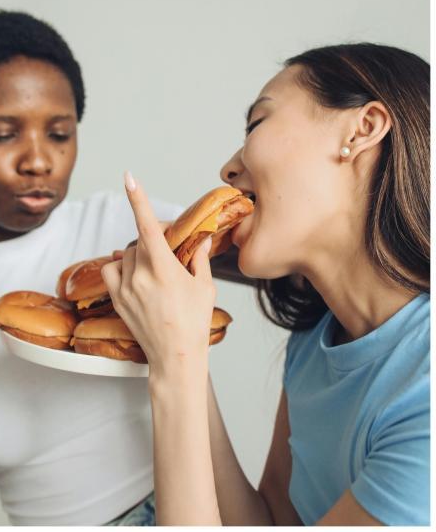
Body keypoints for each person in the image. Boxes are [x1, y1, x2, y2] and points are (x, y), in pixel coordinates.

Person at [102, 43, 430, 526]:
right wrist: (175, 343)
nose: (227, 170)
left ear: (362, 130)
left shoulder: (424, 391)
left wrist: (177, 365)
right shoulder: (317, 339)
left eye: (256, 124)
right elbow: (271, 519)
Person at [0, 10, 244, 526]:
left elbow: (280, 259)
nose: (38, 161)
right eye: (3, 134)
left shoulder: (116, 224)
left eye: (60, 134)